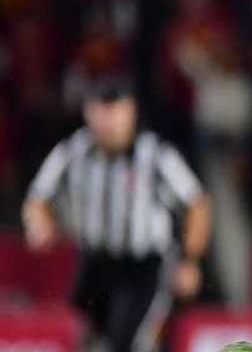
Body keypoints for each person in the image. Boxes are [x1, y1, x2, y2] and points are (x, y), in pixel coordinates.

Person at [22, 72, 211, 352]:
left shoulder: (156, 155)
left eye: (114, 112)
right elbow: (38, 197)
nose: (106, 122)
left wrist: (191, 260)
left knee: (131, 342)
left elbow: (197, 203)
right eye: (99, 112)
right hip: (95, 262)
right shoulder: (74, 151)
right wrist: (39, 223)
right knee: (88, 338)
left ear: (131, 111)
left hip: (144, 267)